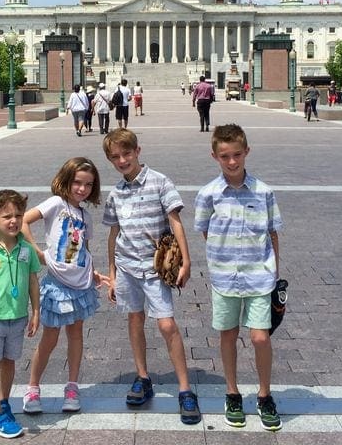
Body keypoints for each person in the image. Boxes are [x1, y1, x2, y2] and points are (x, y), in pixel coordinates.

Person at [101, 129, 202, 425]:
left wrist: (186, 261)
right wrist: (111, 270)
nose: (122, 160)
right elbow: (113, 233)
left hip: (155, 268)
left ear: (138, 151)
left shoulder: (159, 181)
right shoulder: (116, 193)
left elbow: (176, 221)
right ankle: (143, 377)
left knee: (167, 323)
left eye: (126, 154)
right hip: (127, 265)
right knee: (135, 319)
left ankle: (185, 389)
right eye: (115, 157)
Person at [194, 124, 282, 431]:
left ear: (247, 152)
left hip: (260, 275)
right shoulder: (208, 194)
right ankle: (232, 392)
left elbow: (272, 234)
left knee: (260, 337)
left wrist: (276, 275)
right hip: (224, 276)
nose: (232, 162)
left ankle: (264, 393)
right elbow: (206, 230)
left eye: (237, 155)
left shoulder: (264, 191)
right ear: (215, 156)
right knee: (228, 335)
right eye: (225, 156)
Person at [20, 158, 111, 415]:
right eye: (77, 183)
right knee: (50, 337)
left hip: (80, 283)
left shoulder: (85, 216)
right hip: (57, 283)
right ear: (67, 180)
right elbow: (24, 220)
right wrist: (38, 252)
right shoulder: (56, 203)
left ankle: (72, 386)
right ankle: (33, 386)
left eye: (88, 185)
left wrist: (92, 272)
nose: (82, 189)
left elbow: (83, 248)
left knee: (76, 334)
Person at [0, 189, 41, 438]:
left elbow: (33, 281)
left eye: (18, 215)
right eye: (7, 216)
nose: (13, 221)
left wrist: (35, 312)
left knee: (9, 362)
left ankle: (4, 403)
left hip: (17, 318)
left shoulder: (27, 250)